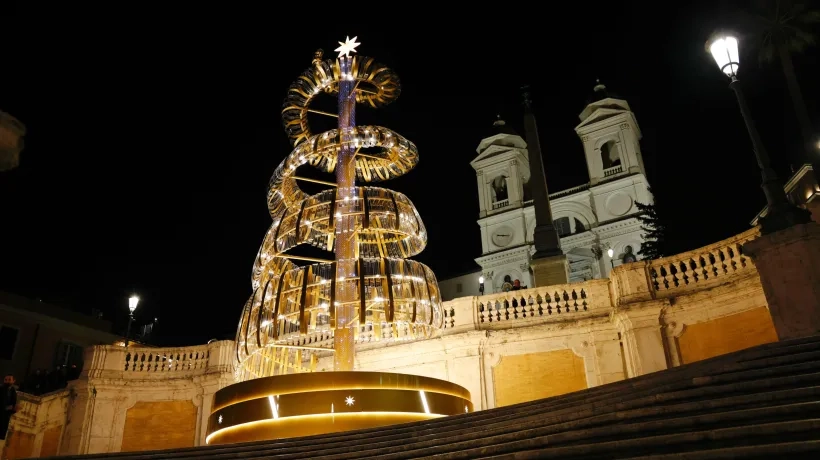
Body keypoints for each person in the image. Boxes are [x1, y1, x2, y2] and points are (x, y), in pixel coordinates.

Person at [1, 374, 18, 440]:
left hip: (5, 418)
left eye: (9, 380)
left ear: (13, 381)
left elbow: (13, 404)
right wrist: (5, 407)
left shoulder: (13, 391)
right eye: (6, 380)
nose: (7, 381)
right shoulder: (1, 389)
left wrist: (13, 409)